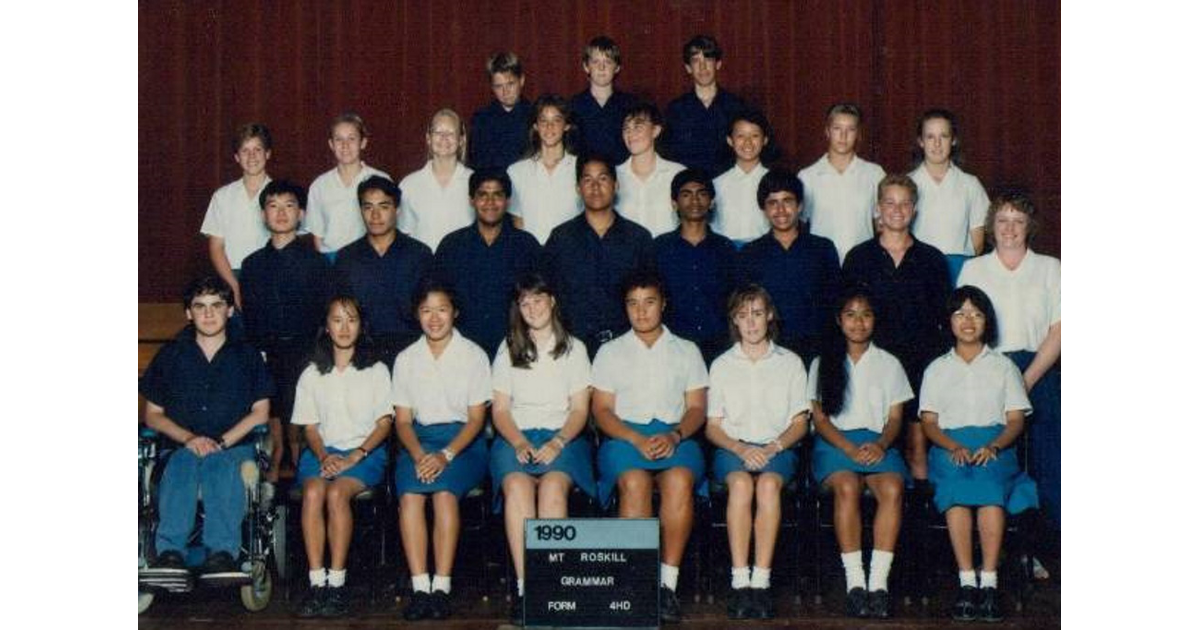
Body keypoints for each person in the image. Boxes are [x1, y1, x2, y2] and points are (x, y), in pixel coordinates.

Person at [592, 269, 708, 624]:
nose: (641, 312)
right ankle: (637, 584)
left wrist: (674, 435)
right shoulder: (610, 352)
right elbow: (601, 411)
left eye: (649, 302)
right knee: (635, 482)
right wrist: (635, 439)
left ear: (663, 304)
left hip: (677, 435)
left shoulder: (686, 349)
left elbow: (696, 408)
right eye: (633, 304)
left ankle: (667, 586)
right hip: (625, 437)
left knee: (678, 481)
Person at [139, 276, 273, 576]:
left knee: (218, 464)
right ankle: (170, 553)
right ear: (188, 313)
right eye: (200, 307)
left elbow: (260, 413)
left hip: (233, 447)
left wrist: (221, 443)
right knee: (183, 464)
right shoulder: (171, 355)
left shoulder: (248, 355)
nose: (209, 313)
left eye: (216, 305)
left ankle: (221, 554)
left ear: (229, 310)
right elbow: (154, 415)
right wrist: (190, 439)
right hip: (183, 447)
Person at [920, 285, 1038, 623]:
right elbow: (929, 422)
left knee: (989, 491)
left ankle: (989, 583)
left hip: (995, 443)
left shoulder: (1003, 367)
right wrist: (951, 445)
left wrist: (995, 446)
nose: (968, 321)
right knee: (956, 491)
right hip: (949, 446)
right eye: (960, 314)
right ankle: (966, 582)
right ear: (949, 322)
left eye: (976, 313)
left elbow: (1015, 420)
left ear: (986, 321)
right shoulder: (937, 368)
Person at [489, 274, 596, 622]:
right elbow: (501, 410)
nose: (532, 308)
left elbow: (580, 409)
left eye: (538, 299)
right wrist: (518, 441)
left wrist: (558, 441)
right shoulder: (507, 349)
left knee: (552, 488)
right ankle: (527, 588)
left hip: (563, 434)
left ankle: (553, 586)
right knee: (517, 487)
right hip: (515, 435)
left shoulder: (575, 348)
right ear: (517, 309)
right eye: (524, 302)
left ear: (552, 301)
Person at [957, 191, 1060, 534]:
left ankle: (1047, 542)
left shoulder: (1050, 268)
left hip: (1039, 366)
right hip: (989, 366)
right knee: (994, 453)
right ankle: (998, 545)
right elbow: (966, 326)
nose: (1010, 228)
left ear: (1029, 226)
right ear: (991, 226)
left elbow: (1060, 329)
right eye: (1002, 220)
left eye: (1018, 221)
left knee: (1050, 453)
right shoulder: (974, 268)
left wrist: (1027, 380)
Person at [705, 285, 809, 620]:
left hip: (776, 447)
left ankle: (761, 582)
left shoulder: (790, 362)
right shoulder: (721, 365)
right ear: (734, 320)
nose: (751, 322)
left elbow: (800, 423)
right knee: (740, 485)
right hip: (733, 449)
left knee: (766, 486)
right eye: (743, 315)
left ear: (770, 316)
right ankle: (740, 582)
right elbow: (712, 425)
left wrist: (771, 447)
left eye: (757, 313)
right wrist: (740, 448)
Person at [808, 287, 911, 619]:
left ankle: (878, 584)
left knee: (893, 489)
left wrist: (881, 444)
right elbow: (820, 419)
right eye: (850, 315)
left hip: (879, 443)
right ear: (839, 321)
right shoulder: (823, 362)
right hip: (836, 444)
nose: (858, 322)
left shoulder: (890, 363)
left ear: (874, 320)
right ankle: (855, 582)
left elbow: (896, 418)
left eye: (865, 314)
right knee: (848, 487)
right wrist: (848, 447)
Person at [392, 281, 491, 621]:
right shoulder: (406, 359)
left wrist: (445, 455)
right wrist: (420, 455)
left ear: (455, 312)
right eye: (426, 310)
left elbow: (478, 419)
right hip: (417, 442)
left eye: (442, 309)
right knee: (411, 497)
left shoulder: (474, 355)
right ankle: (421, 588)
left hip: (463, 443)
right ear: (417, 315)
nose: (434, 318)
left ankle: (442, 588)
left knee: (444, 494)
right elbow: (403, 421)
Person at [291, 296, 393, 619]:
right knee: (313, 491)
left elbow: (385, 423)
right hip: (322, 452)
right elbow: (309, 426)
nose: (344, 327)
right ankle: (316, 581)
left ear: (362, 326)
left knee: (336, 493)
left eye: (351, 320)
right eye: (337, 319)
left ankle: (337, 583)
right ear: (326, 326)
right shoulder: (311, 372)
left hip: (365, 453)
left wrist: (354, 455)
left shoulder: (376, 370)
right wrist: (323, 455)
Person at [842, 174, 949, 481]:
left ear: (914, 209)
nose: (897, 210)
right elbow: (847, 316)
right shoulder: (858, 257)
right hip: (873, 364)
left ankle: (917, 524)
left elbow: (943, 320)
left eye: (905, 203)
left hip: (920, 364)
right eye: (890, 202)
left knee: (916, 450)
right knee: (873, 450)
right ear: (878, 208)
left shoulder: (932, 259)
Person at [240, 179, 332, 481]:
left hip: (307, 355)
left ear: (301, 214)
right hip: (266, 357)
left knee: (302, 381)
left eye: (289, 206)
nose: (280, 213)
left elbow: (324, 319)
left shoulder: (318, 264)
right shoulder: (251, 265)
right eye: (273, 206)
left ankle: (300, 461)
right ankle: (274, 460)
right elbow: (251, 321)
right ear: (263, 214)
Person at [540, 155, 655, 358]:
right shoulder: (561, 238)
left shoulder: (638, 238)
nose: (595, 187)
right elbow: (546, 294)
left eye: (602, 179)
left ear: (616, 185)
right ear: (578, 188)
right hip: (573, 350)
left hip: (628, 350)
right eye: (587, 180)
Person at [735, 169, 841, 363]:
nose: (781, 210)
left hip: (817, 352)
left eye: (787, 201)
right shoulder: (750, 254)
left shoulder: (822, 249)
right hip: (769, 353)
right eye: (772, 203)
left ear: (800, 205)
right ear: (763, 209)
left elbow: (835, 305)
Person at [433, 169, 541, 359]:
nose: (490, 202)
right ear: (471, 200)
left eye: (497, 195)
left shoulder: (527, 246)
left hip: (515, 351)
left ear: (507, 201)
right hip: (461, 353)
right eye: (482, 195)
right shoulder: (451, 246)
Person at [333, 176, 433, 365]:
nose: (375, 215)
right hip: (362, 354)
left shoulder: (420, 254)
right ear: (360, 210)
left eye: (384, 207)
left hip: (412, 353)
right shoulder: (346, 258)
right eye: (368, 207)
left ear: (397, 210)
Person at [654, 168, 737, 363]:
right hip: (672, 350)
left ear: (712, 202)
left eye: (702, 193)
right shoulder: (659, 249)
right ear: (674, 203)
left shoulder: (726, 249)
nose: (694, 201)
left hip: (720, 350)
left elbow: (735, 301)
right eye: (686, 194)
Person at [797, 103, 886, 263]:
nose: (843, 136)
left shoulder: (874, 174)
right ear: (827, 131)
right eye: (837, 128)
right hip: (822, 263)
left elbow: (881, 223)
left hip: (863, 263)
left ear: (858, 134)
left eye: (850, 129)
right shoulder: (808, 176)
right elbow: (800, 225)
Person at [909, 108, 989, 281]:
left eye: (943, 136)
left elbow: (978, 242)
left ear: (953, 140)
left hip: (960, 270)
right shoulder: (908, 184)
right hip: (920, 270)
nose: (937, 144)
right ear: (921, 141)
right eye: (930, 137)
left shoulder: (970, 184)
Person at [200, 123, 273, 311]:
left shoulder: (282, 195)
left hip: (270, 277)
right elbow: (216, 247)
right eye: (245, 151)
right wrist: (234, 287)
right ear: (236, 157)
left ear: (268, 154)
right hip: (230, 276)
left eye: (257, 149)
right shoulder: (222, 196)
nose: (252, 156)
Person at [307, 113, 391, 260]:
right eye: (339, 139)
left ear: (363, 142)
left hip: (371, 259)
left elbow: (391, 225)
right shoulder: (319, 185)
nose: (345, 145)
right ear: (331, 144)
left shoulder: (381, 179)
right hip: (332, 260)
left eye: (351, 139)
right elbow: (317, 235)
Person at [663, 34, 747, 175]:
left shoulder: (737, 107)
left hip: (729, 186)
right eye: (696, 61)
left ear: (718, 64)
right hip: (689, 189)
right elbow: (668, 156)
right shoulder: (675, 110)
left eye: (708, 59)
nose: (702, 67)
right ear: (688, 68)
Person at [506, 94, 582, 244]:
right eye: (543, 120)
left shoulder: (580, 168)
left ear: (567, 125)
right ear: (535, 126)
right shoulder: (516, 172)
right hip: (532, 259)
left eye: (556, 120)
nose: (549, 127)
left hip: (570, 257)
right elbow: (518, 222)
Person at [399, 109, 475, 252]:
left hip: (463, 269)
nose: (444, 138)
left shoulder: (475, 182)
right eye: (438, 132)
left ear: (461, 140)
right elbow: (404, 234)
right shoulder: (409, 184)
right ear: (428, 138)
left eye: (451, 133)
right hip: (423, 270)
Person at [616, 102, 687, 237]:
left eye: (638, 127)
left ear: (655, 130)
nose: (631, 134)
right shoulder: (614, 176)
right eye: (626, 129)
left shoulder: (677, 173)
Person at [569, 36, 637, 164]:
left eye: (608, 62)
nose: (602, 67)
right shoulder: (574, 106)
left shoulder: (630, 105)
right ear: (586, 67)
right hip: (585, 177)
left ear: (617, 67)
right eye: (595, 62)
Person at [712, 110, 773, 247]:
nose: (748, 142)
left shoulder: (775, 182)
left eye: (755, 136)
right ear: (730, 140)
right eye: (740, 136)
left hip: (764, 253)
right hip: (726, 256)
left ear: (765, 140)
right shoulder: (717, 184)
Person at [468, 52, 533, 171]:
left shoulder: (534, 116)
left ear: (522, 80)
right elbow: (476, 164)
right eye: (498, 86)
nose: (505, 92)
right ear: (492, 87)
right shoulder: (481, 120)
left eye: (510, 84)